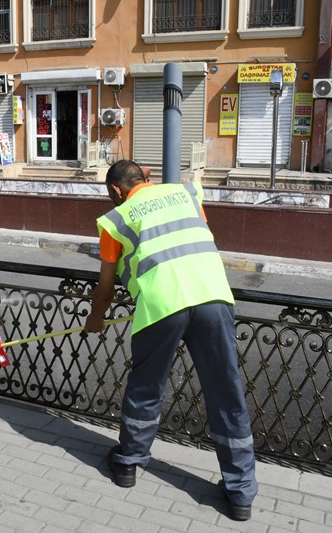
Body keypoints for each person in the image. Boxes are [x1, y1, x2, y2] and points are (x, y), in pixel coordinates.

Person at [85, 160, 257, 521]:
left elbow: (105, 286)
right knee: (226, 390)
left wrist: (96, 319)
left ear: (116, 190)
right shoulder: (187, 193)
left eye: (110, 195)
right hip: (213, 296)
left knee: (146, 387)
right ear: (145, 176)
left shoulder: (114, 220)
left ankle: (129, 463)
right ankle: (240, 492)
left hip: (162, 305)